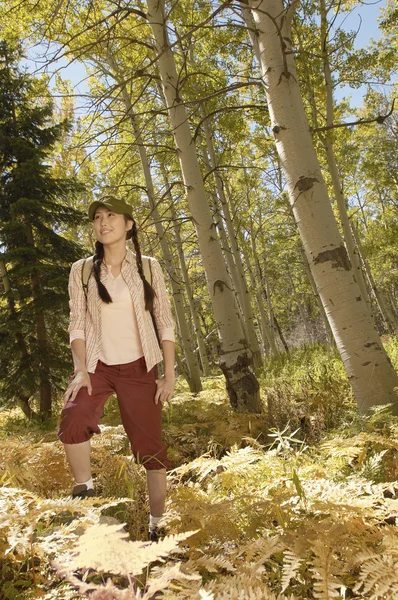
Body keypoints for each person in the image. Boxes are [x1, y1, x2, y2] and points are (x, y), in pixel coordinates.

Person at [58, 195, 175, 541]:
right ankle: (85, 491)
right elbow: (76, 323)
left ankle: (157, 526)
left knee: (151, 450)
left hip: (140, 369)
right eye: (97, 217)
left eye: (111, 216)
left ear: (128, 224)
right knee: (74, 414)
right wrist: (80, 369)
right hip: (98, 365)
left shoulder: (149, 267)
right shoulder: (81, 271)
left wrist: (168, 374)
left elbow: (164, 321)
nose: (103, 222)